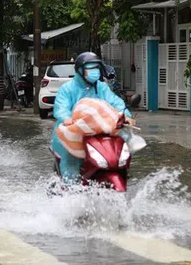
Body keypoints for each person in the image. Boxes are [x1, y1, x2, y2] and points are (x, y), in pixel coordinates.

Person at [51, 52, 136, 184]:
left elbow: (116, 103)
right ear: (80, 70)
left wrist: (125, 116)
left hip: (100, 130)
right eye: (90, 68)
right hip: (74, 131)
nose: (94, 72)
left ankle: (122, 172)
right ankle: (70, 188)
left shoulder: (101, 87)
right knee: (71, 158)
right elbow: (61, 108)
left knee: (125, 140)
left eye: (96, 68)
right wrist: (67, 118)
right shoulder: (67, 89)